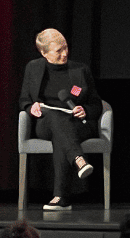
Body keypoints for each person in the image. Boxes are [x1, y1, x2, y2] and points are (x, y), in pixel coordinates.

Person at [19, 28, 103, 211]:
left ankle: (60, 197)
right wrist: (30, 107)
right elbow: (24, 99)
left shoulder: (80, 70)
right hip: (45, 123)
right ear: (44, 53)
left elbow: (97, 104)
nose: (64, 53)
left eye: (65, 48)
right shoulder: (33, 68)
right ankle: (79, 159)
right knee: (55, 117)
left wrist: (85, 110)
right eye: (59, 51)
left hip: (77, 124)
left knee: (61, 134)